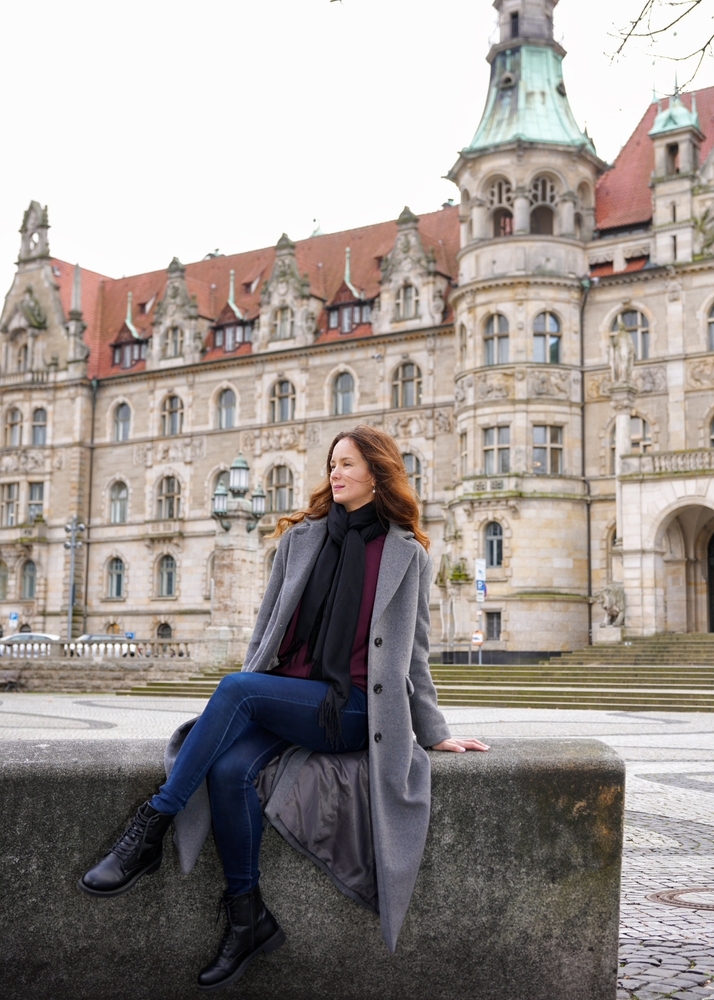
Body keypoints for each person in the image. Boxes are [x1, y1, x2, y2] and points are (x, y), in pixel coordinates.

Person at [79, 424, 489, 992]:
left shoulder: (406, 553)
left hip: (353, 711)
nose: (334, 474)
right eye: (331, 465)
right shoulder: (301, 538)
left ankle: (153, 823)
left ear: (377, 472)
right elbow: (265, 633)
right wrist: (254, 689)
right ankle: (247, 917)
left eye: (346, 464)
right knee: (227, 769)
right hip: (290, 695)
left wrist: (433, 731)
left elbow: (414, 654)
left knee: (236, 688)